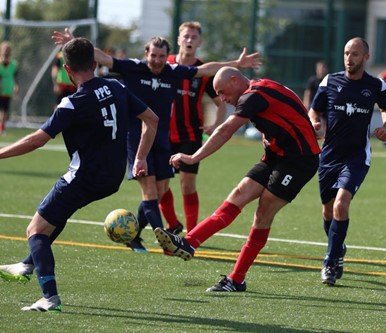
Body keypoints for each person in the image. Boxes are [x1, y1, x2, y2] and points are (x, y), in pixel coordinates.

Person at [52, 28, 261, 253]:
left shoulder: (172, 71)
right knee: (150, 191)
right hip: (135, 137)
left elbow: (204, 70)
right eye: (153, 55)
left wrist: (236, 64)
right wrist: (75, 44)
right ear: (146, 54)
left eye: (162, 56)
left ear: (166, 56)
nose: (157, 60)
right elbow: (102, 57)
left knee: (161, 191)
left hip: (162, 138)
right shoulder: (132, 67)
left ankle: (134, 234)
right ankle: (167, 242)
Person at [0, 37, 158, 312]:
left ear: (67, 70)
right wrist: (141, 157)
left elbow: (36, 141)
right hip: (112, 177)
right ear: (95, 64)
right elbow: (152, 119)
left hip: (84, 177)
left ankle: (49, 297)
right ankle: (26, 265)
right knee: (55, 216)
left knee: (35, 230)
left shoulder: (72, 103)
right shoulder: (116, 86)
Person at [154, 66, 321, 292]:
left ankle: (236, 279)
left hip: (299, 161)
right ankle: (189, 242)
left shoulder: (252, 95)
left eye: (223, 92)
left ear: (235, 80)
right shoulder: (260, 87)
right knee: (239, 194)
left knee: (263, 212)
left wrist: (193, 157)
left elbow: (225, 131)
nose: (223, 98)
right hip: (276, 155)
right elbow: (290, 105)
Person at [308, 37, 386, 286]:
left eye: (355, 54)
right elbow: (314, 109)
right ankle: (338, 247)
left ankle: (330, 263)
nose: (349, 58)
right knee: (327, 210)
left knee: (340, 205)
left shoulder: (376, 85)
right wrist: (314, 122)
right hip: (329, 156)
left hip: (356, 156)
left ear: (366, 57)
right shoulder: (329, 81)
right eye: (346, 53)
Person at [163, 21, 227, 233]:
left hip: (190, 135)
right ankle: (173, 225)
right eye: (186, 36)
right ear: (179, 39)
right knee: (160, 185)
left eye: (194, 37)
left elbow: (221, 103)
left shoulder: (203, 72)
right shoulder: (165, 64)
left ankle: (191, 233)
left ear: (199, 42)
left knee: (187, 184)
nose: (189, 40)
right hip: (162, 135)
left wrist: (216, 125)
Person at [0, 41, 19, 135]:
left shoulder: (13, 64)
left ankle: (2, 128)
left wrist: (16, 86)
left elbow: (15, 77)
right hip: (1, 89)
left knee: (5, 110)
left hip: (7, 89)